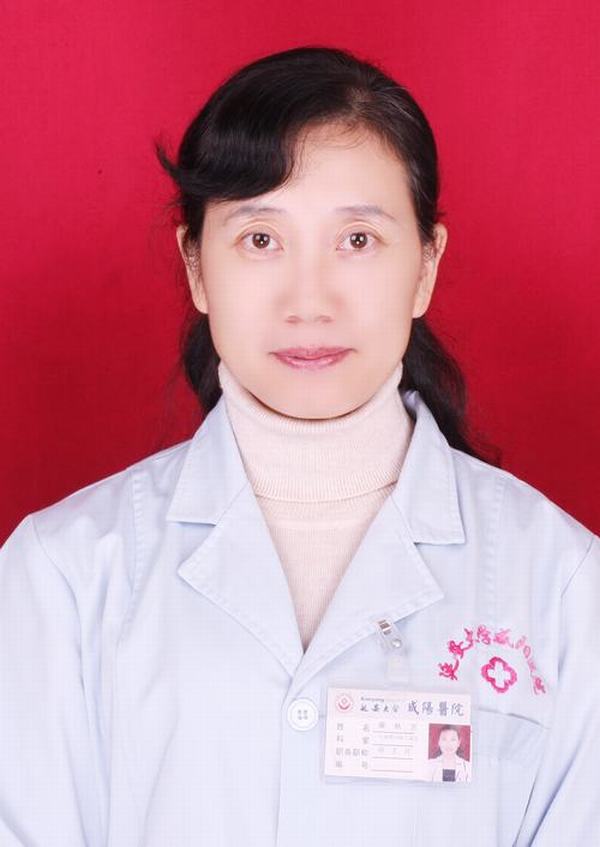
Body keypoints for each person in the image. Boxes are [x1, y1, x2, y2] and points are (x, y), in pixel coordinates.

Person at [1, 44, 598, 846]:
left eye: (357, 240)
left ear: (426, 265)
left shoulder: (563, 584)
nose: (308, 301)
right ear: (196, 267)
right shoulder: (63, 574)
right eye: (260, 239)